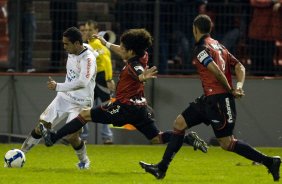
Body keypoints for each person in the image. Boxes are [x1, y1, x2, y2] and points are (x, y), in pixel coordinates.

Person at [139, 15, 281, 181]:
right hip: (209, 99)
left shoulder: (201, 49)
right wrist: (239, 87)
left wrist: (231, 89)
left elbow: (215, 70)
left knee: (227, 143)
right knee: (179, 123)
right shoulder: (219, 45)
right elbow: (239, 66)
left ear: (195, 29)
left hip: (219, 100)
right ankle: (161, 168)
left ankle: (269, 162)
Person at [39, 28, 208, 158]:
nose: (121, 50)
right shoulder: (143, 54)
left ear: (131, 51)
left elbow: (139, 72)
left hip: (124, 108)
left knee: (84, 115)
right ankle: (186, 138)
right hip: (140, 108)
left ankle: (52, 138)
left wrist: (143, 76)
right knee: (156, 138)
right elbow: (122, 51)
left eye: (124, 47)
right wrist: (105, 43)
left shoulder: (135, 64)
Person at [20, 27, 98, 169]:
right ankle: (19, 155)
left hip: (81, 103)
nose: (64, 47)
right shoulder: (78, 49)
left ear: (76, 43)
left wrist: (58, 86)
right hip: (64, 98)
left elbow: (82, 82)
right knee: (41, 127)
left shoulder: (88, 59)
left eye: (66, 44)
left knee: (72, 136)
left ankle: (84, 161)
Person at [85, 20, 115, 144]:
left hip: (101, 78)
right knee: (87, 107)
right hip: (92, 78)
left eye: (90, 30)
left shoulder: (97, 44)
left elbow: (107, 62)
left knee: (106, 107)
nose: (87, 32)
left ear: (96, 31)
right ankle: (105, 136)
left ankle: (105, 136)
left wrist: (109, 79)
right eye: (86, 30)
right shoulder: (88, 44)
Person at [248, 0, 282, 76]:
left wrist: (278, 3)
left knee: (268, 61)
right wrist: (272, 2)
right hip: (257, 31)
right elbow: (254, 2)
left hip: (270, 33)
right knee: (256, 61)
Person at [6, 0, 36, 72]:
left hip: (29, 10)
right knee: (14, 39)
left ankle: (28, 65)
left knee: (29, 39)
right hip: (13, 9)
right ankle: (13, 65)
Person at [49, 0, 77, 72]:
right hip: (57, 19)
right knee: (56, 43)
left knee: (70, 42)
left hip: (69, 19)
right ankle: (54, 66)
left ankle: (72, 67)